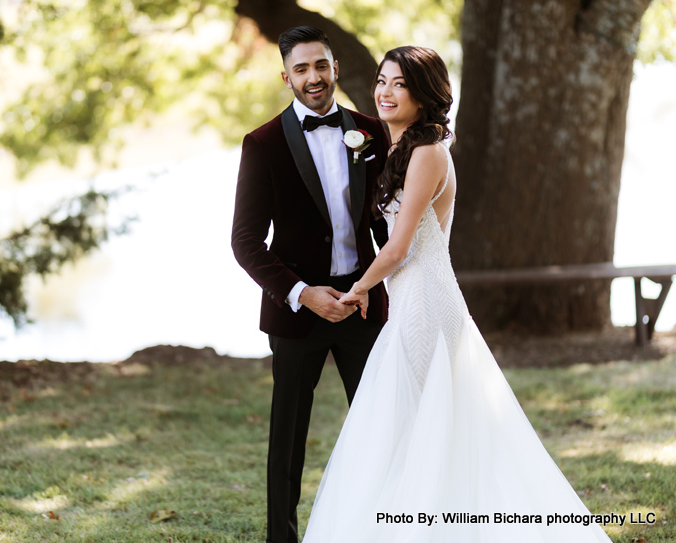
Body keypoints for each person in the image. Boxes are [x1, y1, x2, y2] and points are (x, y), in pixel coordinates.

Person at [300, 46, 613, 543]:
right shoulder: (399, 148)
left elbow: (400, 248)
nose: (384, 91)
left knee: (424, 420)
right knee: (410, 421)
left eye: (399, 84)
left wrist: (357, 289)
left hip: (425, 298)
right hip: (408, 300)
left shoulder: (427, 154)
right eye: (382, 80)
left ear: (423, 95)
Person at [231, 26, 391, 543]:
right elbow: (246, 241)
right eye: (301, 69)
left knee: (380, 428)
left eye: (320, 65)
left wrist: (378, 283)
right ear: (286, 77)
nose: (313, 77)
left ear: (335, 68)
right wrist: (303, 293)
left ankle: (384, 527)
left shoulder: (372, 131)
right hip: (298, 313)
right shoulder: (262, 144)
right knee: (288, 440)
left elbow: (387, 222)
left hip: (362, 305)